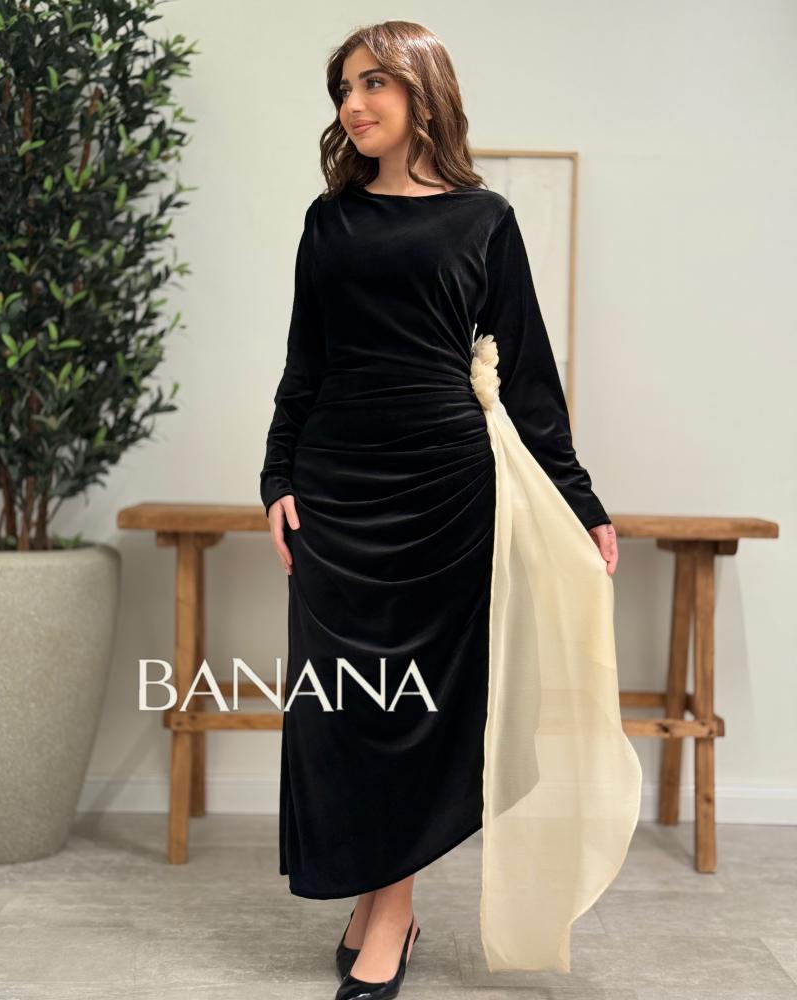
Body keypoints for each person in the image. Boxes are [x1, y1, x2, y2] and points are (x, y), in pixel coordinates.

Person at [260, 21, 641, 1000]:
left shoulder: (484, 220)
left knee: (418, 712)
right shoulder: (328, 222)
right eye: (344, 88)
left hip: (443, 490)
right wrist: (277, 477)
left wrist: (580, 499)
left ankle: (389, 912)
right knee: (347, 705)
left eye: (374, 83)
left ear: (422, 90)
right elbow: (305, 363)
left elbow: (529, 378)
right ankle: (377, 895)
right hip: (336, 488)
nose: (353, 104)